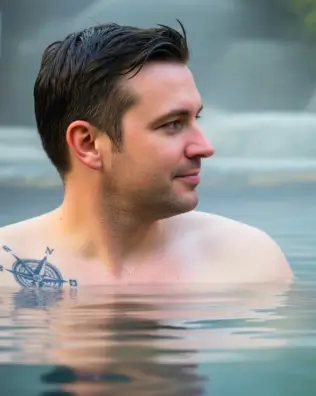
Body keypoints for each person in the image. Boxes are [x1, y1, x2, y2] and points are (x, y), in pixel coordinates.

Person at [0, 22, 293, 288]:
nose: (204, 147)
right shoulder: (6, 278)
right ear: (88, 144)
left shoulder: (249, 264)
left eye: (196, 120)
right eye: (172, 125)